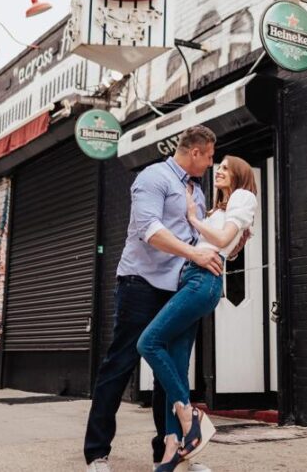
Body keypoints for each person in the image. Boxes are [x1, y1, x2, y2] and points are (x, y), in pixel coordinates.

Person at [84, 125, 226, 472]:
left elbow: (198, 238)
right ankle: (97, 453)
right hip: (140, 283)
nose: (210, 164)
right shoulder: (154, 177)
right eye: (208, 157)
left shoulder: (197, 192)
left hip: (178, 288)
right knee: (120, 364)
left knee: (172, 369)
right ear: (195, 152)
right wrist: (194, 256)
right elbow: (149, 230)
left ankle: (171, 452)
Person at [139, 156, 259, 471]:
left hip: (203, 282)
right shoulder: (218, 209)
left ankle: (189, 413)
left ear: (240, 174)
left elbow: (220, 241)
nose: (218, 169)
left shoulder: (244, 197)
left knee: (148, 343)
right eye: (216, 165)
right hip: (190, 280)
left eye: (225, 166)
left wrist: (192, 217)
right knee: (176, 368)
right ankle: (172, 450)